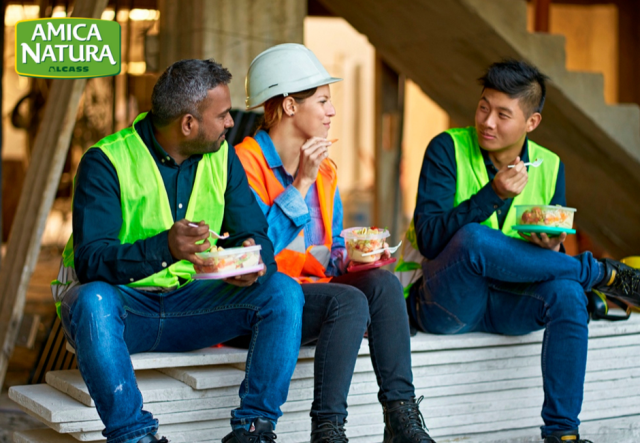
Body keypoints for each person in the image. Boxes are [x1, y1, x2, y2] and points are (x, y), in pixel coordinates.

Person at [52, 59, 305, 443]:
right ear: (188, 123)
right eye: (221, 115)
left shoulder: (223, 156)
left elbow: (252, 230)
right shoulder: (106, 162)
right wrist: (166, 247)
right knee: (91, 299)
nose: (230, 123)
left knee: (283, 290)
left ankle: (253, 431)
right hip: (125, 312)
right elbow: (92, 261)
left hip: (192, 307)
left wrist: (252, 258)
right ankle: (135, 437)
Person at [396, 59, 640, 443]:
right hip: (448, 303)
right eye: (483, 107)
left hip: (511, 303)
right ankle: (602, 274)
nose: (487, 121)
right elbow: (429, 238)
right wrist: (492, 195)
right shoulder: (447, 149)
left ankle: (562, 434)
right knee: (473, 238)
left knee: (568, 294)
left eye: (502, 114)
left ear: (531, 123)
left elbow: (551, 240)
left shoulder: (551, 166)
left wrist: (550, 246)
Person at [234, 43, 435, 443]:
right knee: (350, 301)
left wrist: (359, 257)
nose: (332, 112)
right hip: (265, 304)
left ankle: (401, 418)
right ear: (290, 106)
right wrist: (300, 183)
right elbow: (255, 254)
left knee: (383, 285)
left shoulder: (325, 169)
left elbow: (332, 257)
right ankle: (327, 429)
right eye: (323, 101)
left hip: (318, 295)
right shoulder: (245, 163)